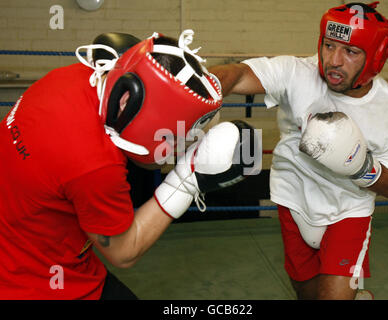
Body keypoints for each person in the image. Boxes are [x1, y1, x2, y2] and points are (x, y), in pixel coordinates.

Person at [0, 30, 259, 299]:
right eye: (169, 137)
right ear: (129, 101)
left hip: (28, 237)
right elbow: (124, 251)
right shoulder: (95, 165)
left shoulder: (78, 76)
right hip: (33, 282)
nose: (171, 149)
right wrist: (187, 179)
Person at [208, 2, 388, 300]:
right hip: (293, 199)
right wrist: (194, 85)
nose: (334, 61)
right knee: (307, 295)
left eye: (350, 52)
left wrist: (360, 167)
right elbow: (237, 75)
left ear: (376, 57)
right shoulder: (297, 73)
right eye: (329, 46)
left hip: (347, 211)